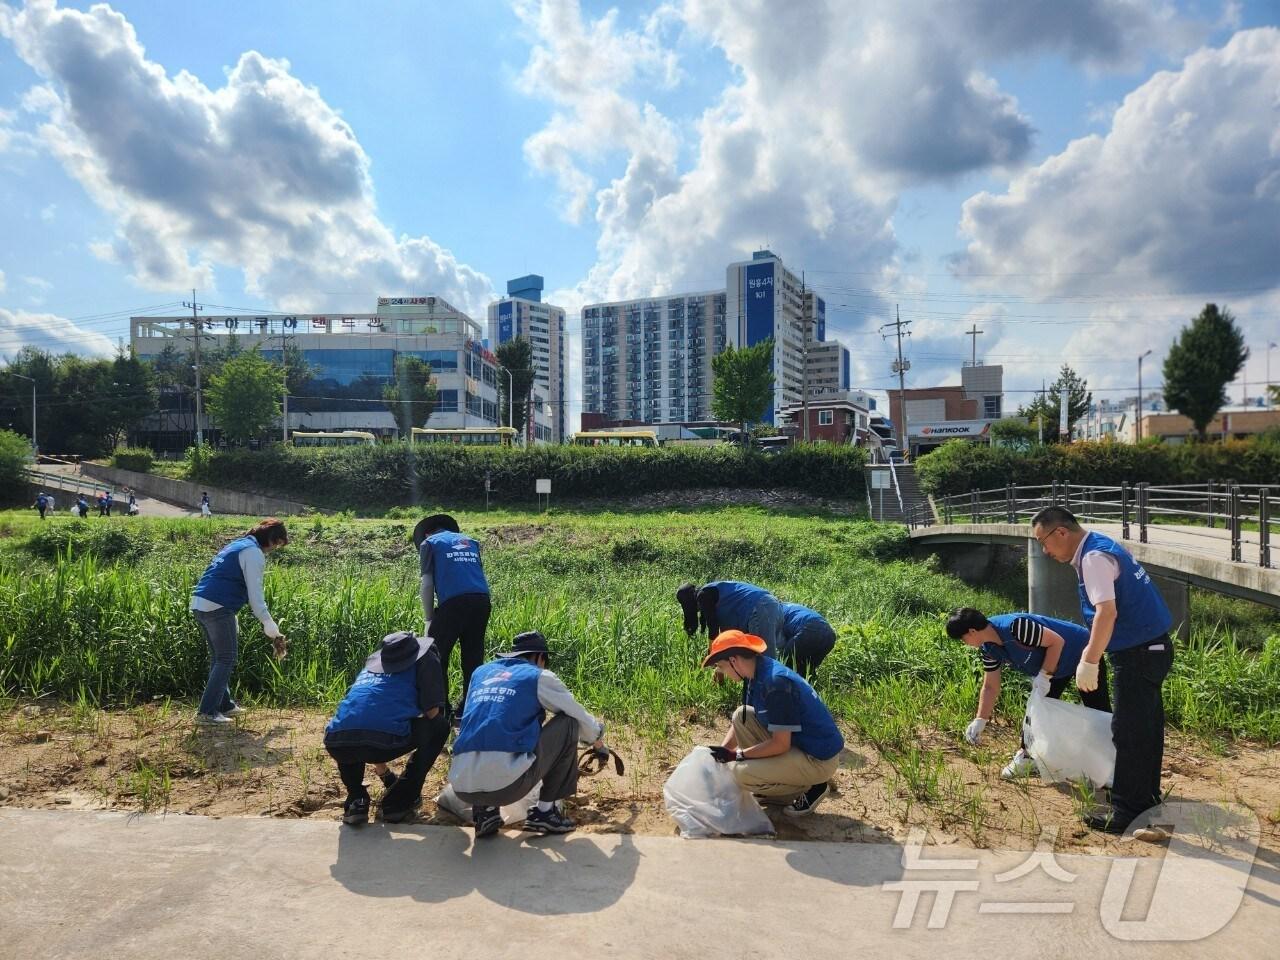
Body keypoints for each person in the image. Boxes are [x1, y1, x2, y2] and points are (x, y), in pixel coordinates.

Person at [1031, 506, 1174, 834]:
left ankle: (1125, 812)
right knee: (1144, 731)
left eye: (1044, 542)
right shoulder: (1101, 544)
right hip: (1152, 648)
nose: (1045, 550)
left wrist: (1089, 660)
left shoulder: (1094, 558)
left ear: (1061, 533)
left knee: (1128, 732)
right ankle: (1145, 803)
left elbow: (1106, 613)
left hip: (1137, 653)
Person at [448, 631, 606, 838]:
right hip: (508, 787)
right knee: (568, 724)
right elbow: (578, 715)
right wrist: (598, 743)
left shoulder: (480, 673)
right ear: (540, 657)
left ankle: (485, 812)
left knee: (487, 728)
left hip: (462, 786)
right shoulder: (538, 676)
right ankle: (545, 813)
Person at [945, 607, 1111, 779]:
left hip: (1081, 652)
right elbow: (990, 687)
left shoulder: (1016, 627)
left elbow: (1057, 642)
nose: (965, 643)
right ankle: (1027, 757)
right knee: (1036, 707)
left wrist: (1044, 676)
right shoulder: (988, 649)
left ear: (972, 631)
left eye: (963, 638)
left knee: (1098, 708)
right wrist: (980, 719)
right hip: (1054, 664)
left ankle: (1115, 760)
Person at [701, 629, 845, 816]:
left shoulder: (775, 684)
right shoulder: (757, 672)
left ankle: (811, 786)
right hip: (799, 744)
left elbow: (781, 744)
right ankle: (774, 780)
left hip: (817, 759)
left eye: (721, 666)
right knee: (741, 715)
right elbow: (743, 723)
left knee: (740, 772)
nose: (722, 672)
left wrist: (736, 756)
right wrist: (719, 756)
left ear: (733, 661)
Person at [324, 630, 450, 826]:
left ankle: (356, 799)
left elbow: (365, 717)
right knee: (439, 728)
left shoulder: (369, 670)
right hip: (377, 741)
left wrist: (385, 774)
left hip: (337, 741)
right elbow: (433, 714)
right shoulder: (426, 660)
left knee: (354, 730)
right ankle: (397, 803)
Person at [188, 518, 289, 725]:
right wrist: (268, 622)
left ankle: (224, 705)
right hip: (217, 606)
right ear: (270, 539)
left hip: (202, 603)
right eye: (277, 544)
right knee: (226, 658)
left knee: (219, 658)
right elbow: (255, 594)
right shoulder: (253, 553)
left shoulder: (237, 545)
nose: (274, 549)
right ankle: (206, 713)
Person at [412, 513, 491, 723]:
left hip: (454, 603)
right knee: (473, 657)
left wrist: (429, 619)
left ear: (427, 533)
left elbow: (427, 584)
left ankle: (441, 710)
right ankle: (470, 708)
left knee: (436, 656)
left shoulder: (429, 543)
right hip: (482, 601)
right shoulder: (471, 542)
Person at [677, 580, 784, 656]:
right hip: (772, 606)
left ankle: (774, 687)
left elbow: (713, 629)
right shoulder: (716, 594)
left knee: (763, 659)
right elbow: (729, 638)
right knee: (755, 656)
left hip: (761, 608)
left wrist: (712, 655)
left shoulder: (704, 595)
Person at [778, 602, 837, 679]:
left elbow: (779, 642)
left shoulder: (774, 611)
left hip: (808, 630)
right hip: (829, 635)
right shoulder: (791, 606)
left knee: (783, 665)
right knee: (807, 670)